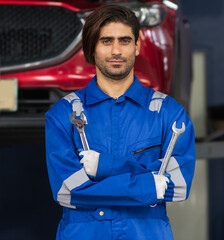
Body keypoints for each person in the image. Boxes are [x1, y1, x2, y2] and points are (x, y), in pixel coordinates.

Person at [45, 4, 195, 240]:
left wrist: (105, 167)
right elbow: (68, 191)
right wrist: (147, 186)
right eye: (106, 41)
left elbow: (177, 186)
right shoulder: (62, 114)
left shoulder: (169, 113)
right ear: (92, 47)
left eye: (124, 41)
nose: (116, 50)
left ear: (137, 46)